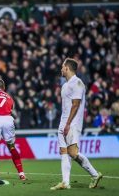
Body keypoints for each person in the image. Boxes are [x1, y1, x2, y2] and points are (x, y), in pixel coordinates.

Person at [50, 58, 103, 190]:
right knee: (63, 151)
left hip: (73, 123)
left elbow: (76, 105)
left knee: (73, 153)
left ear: (67, 68)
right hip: (64, 122)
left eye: (62, 67)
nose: (61, 69)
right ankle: (65, 182)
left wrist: (68, 124)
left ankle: (95, 174)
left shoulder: (77, 83)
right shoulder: (65, 85)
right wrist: (63, 123)